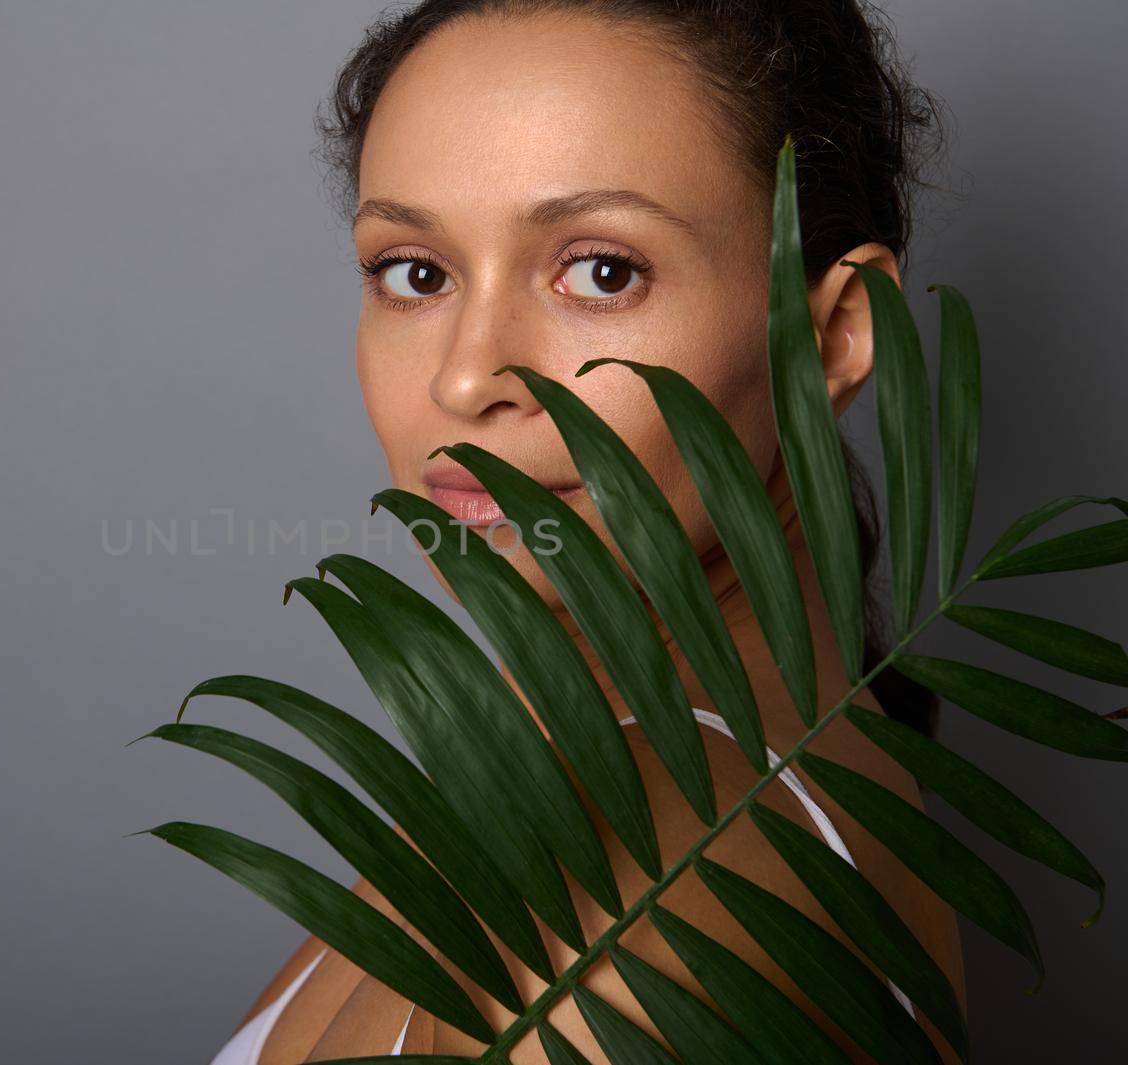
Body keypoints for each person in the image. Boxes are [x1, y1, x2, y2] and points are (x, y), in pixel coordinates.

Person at [213, 2, 963, 1060]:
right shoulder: (559, 793)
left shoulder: (629, 945)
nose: (466, 377)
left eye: (601, 272)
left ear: (834, 334)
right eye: (415, 273)